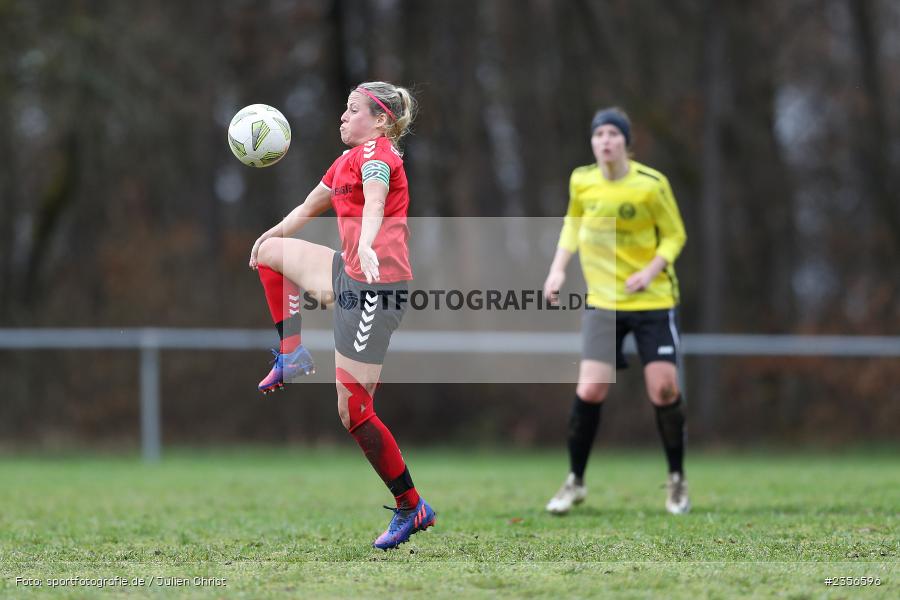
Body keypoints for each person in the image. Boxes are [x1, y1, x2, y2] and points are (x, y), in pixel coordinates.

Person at [248, 82, 435, 549]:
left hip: (377, 289)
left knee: (353, 411)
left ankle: (412, 507)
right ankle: (291, 353)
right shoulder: (343, 162)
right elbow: (307, 208)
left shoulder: (380, 153)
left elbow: (375, 200)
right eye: (345, 109)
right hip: (349, 274)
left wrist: (369, 242)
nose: (343, 117)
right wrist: (266, 236)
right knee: (272, 252)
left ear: (381, 121)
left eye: (353, 110)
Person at [543, 107, 690, 515]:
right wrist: (557, 270)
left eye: (612, 134)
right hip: (603, 302)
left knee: (663, 391)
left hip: (653, 301)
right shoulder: (582, 180)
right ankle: (575, 481)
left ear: (626, 141)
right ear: (593, 142)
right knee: (590, 390)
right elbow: (572, 224)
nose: (605, 140)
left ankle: (676, 480)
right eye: (598, 134)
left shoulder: (650, 185)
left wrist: (650, 271)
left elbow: (675, 235)